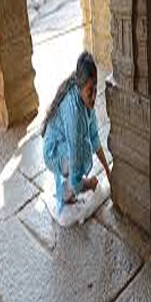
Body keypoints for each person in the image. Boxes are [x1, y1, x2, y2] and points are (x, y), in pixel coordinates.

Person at [42, 52, 111, 211]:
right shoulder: (73, 112)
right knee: (79, 154)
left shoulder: (86, 101)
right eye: (89, 92)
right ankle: (65, 194)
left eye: (95, 89)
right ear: (79, 87)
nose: (94, 97)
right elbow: (75, 155)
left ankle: (67, 188)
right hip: (53, 152)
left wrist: (107, 170)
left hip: (64, 143)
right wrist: (87, 184)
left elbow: (94, 137)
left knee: (84, 146)